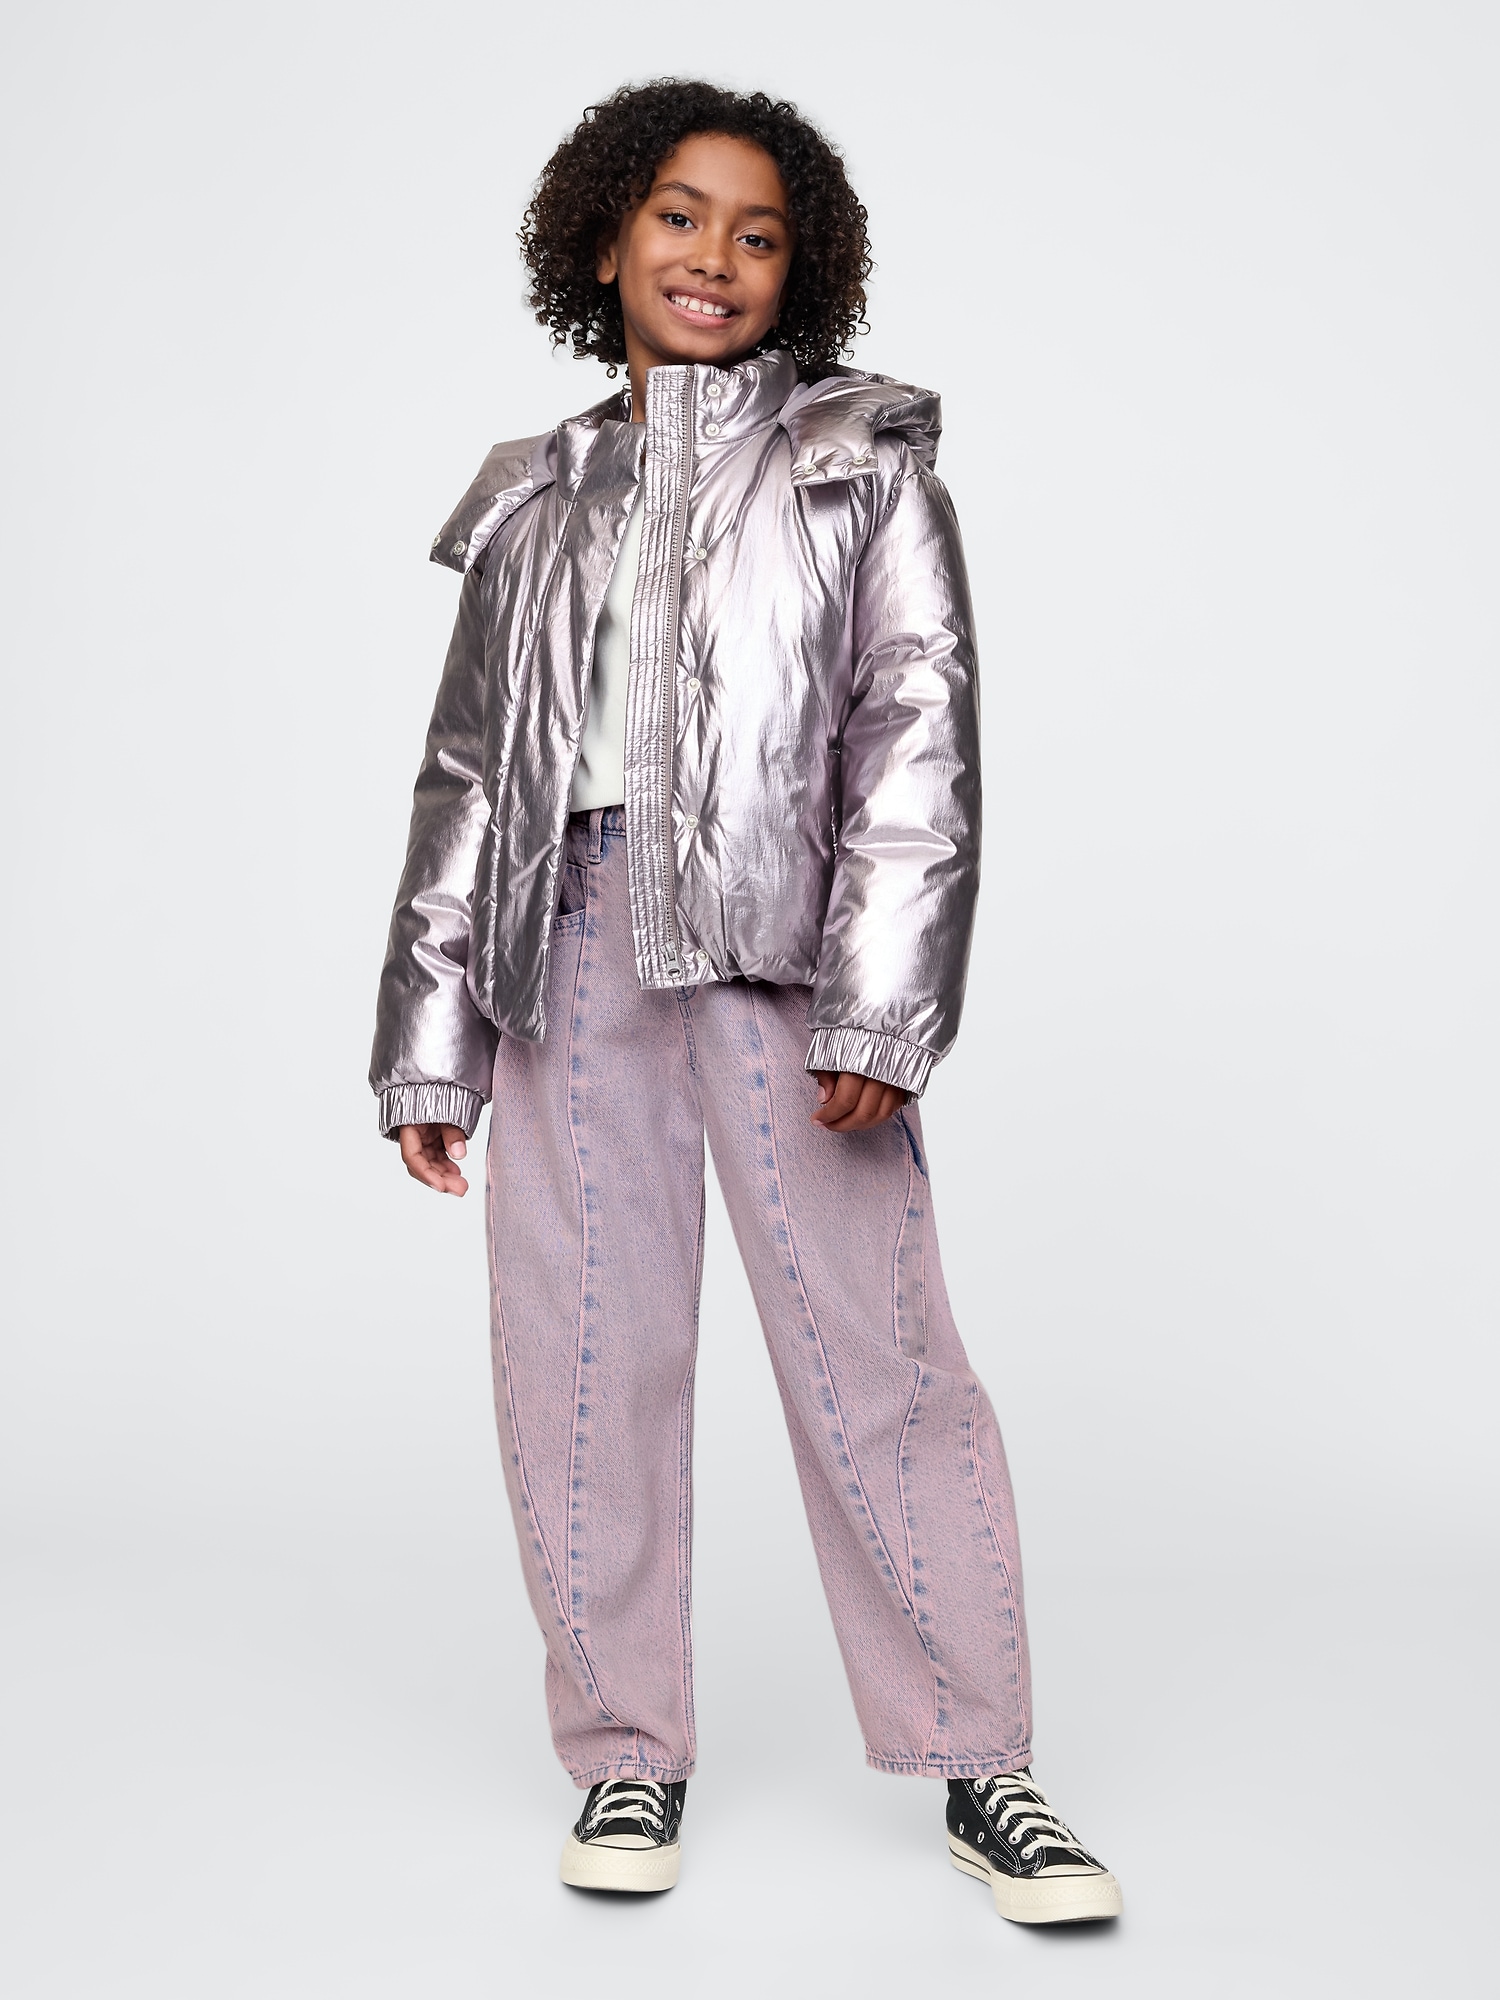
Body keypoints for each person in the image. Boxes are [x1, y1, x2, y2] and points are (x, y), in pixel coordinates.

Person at [370, 78, 1121, 1925]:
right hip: (566, 949)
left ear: (806, 271)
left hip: (781, 951)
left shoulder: (861, 465)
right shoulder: (535, 496)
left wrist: (881, 1010)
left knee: (879, 1355)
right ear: (604, 240)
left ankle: (982, 1763)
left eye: (760, 233)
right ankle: (627, 1752)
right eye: (680, 216)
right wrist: (429, 1040)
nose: (715, 256)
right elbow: (468, 777)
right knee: (582, 1358)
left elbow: (916, 744)